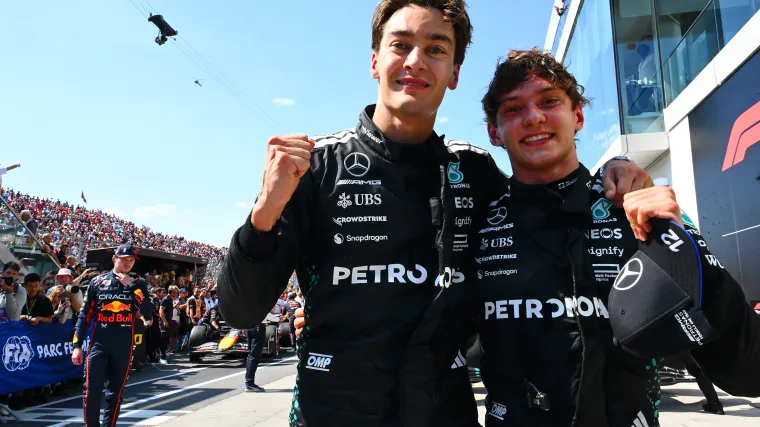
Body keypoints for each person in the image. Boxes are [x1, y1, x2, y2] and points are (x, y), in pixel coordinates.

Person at [217, 1, 645, 425]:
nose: (416, 61)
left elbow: (548, 207)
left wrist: (615, 175)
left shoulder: (473, 170)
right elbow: (240, 312)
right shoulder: (314, 167)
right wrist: (265, 209)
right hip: (331, 412)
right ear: (375, 61)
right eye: (400, 45)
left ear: (454, 73)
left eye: (436, 48)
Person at [400, 48, 760, 427]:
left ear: (578, 116)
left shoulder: (635, 209)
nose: (534, 117)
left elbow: (748, 372)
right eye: (513, 108)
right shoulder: (476, 225)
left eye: (549, 101)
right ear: (494, 133)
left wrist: (687, 250)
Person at [71, 244, 154, 427]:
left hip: (123, 345)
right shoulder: (97, 282)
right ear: (115, 259)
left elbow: (148, 311)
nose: (128, 263)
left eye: (131, 260)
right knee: (91, 390)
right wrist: (76, 346)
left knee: (115, 392)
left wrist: (130, 286)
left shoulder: (138, 283)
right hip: (99, 343)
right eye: (124, 259)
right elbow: (84, 316)